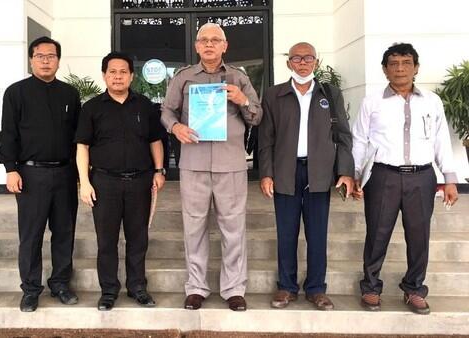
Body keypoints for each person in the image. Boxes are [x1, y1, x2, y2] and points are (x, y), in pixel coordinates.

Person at [161, 22, 262, 311]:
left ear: (224, 46)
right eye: (203, 40)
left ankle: (233, 289)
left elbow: (256, 116)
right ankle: (196, 287)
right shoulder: (183, 77)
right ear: (196, 46)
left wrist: (243, 100)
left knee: (233, 228)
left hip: (230, 164)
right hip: (193, 162)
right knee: (194, 227)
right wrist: (175, 126)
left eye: (215, 40)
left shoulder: (239, 78)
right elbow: (166, 110)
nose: (209, 44)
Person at [352, 43, 458, 314]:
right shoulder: (372, 101)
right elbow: (359, 141)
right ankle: (371, 287)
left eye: (406, 63)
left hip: (421, 178)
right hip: (382, 176)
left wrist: (449, 178)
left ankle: (413, 289)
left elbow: (441, 140)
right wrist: (355, 176)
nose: (400, 69)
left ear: (416, 68)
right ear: (385, 70)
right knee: (377, 234)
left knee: (419, 236)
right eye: (394, 63)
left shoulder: (432, 101)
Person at [257, 42, 354, 311]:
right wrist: (266, 173)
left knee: (317, 233)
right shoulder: (274, 95)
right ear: (288, 63)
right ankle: (286, 287)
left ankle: (316, 288)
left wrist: (345, 171)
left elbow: (343, 137)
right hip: (286, 172)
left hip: (319, 173)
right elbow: (266, 139)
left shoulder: (330, 94)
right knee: (286, 233)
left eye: (308, 58)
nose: (302, 63)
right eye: (296, 58)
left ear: (316, 61)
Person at [75, 51, 165, 311]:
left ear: (131, 76)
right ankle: (109, 290)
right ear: (104, 75)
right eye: (112, 72)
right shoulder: (92, 108)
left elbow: (155, 140)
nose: (117, 76)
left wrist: (159, 171)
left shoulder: (144, 105)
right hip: (104, 182)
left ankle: (137, 287)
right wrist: (85, 182)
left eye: (123, 71)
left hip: (140, 182)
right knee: (106, 240)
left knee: (138, 238)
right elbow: (83, 146)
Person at [0, 36, 81, 312]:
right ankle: (31, 289)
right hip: (30, 175)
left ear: (59, 59)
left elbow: (77, 137)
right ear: (31, 60)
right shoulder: (16, 92)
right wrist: (10, 169)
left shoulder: (70, 94)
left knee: (64, 232)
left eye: (51, 56)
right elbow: (8, 134)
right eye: (40, 56)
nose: (46, 61)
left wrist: (81, 174)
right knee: (31, 234)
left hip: (65, 174)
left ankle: (60, 283)